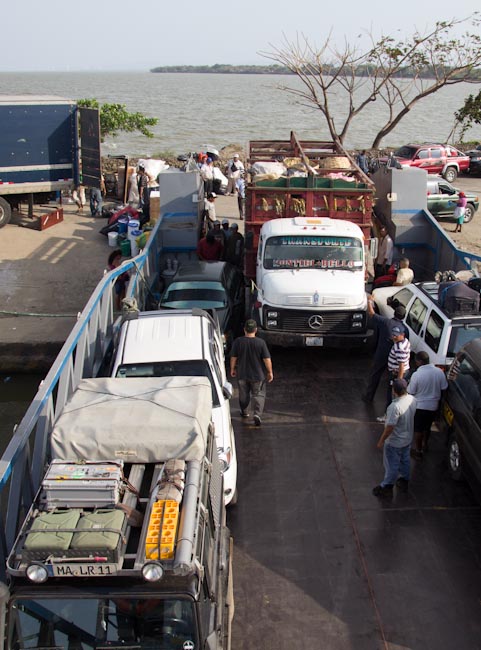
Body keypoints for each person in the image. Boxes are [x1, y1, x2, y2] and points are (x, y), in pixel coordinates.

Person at [372, 378, 417, 498]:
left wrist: (381, 440)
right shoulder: (412, 399)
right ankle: (404, 480)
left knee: (391, 465)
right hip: (407, 439)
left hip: (394, 442)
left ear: (394, 391)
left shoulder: (394, 407)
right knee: (405, 460)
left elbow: (390, 427)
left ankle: (387, 486)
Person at [362, 296, 408, 404]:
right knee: (391, 382)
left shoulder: (385, 322)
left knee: (375, 375)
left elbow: (372, 313)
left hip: (381, 355)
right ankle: (390, 404)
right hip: (396, 360)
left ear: (394, 313)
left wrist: (369, 301)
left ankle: (369, 397)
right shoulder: (404, 329)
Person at [230, 319, 273, 426]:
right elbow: (267, 359)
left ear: (244, 329)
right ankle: (257, 414)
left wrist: (232, 369)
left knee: (243, 395)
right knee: (259, 395)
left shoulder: (238, 341)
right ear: (256, 330)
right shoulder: (261, 343)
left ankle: (244, 412)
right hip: (258, 375)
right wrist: (270, 372)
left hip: (242, 374)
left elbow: (233, 357)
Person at [408, 351, 448, 459]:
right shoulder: (439, 372)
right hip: (433, 406)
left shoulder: (417, 374)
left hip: (420, 406)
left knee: (418, 429)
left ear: (420, 362)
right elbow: (444, 388)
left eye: (416, 361)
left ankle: (418, 451)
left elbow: (411, 391)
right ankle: (425, 445)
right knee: (427, 427)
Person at [379, 325, 411, 421]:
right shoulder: (405, 342)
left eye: (396, 335)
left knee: (392, 397)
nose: (394, 337)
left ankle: (388, 416)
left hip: (397, 374)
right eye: (393, 335)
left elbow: (401, 365)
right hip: (402, 372)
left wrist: (398, 381)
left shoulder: (399, 347)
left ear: (403, 335)